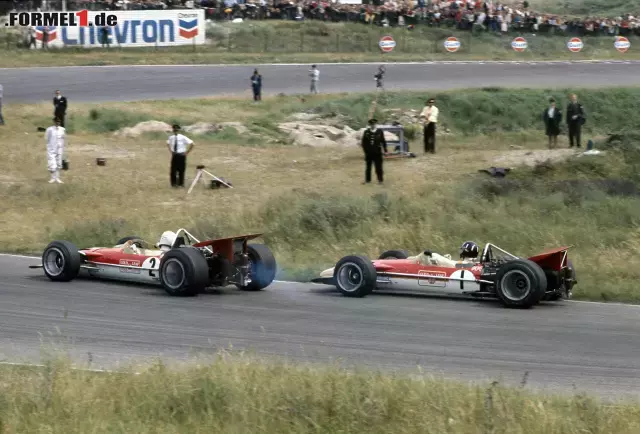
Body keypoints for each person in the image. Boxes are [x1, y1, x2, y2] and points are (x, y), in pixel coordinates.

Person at [360, 118, 387, 184]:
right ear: (369, 125)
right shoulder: (366, 132)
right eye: (371, 124)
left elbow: (383, 141)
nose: (373, 125)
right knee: (368, 168)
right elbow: (363, 143)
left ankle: (380, 180)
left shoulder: (380, 132)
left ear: (376, 124)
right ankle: (367, 180)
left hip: (377, 153)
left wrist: (385, 150)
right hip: (369, 153)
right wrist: (365, 151)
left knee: (378, 167)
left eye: (374, 124)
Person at [45, 117, 65, 184]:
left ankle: (57, 178)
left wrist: (62, 148)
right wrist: (49, 148)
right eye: (56, 122)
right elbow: (47, 139)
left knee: (59, 164)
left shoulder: (62, 129)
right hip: (52, 149)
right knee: (52, 165)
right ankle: (52, 178)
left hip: (59, 149)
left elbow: (63, 139)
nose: (57, 123)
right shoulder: (50, 129)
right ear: (54, 122)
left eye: (59, 122)